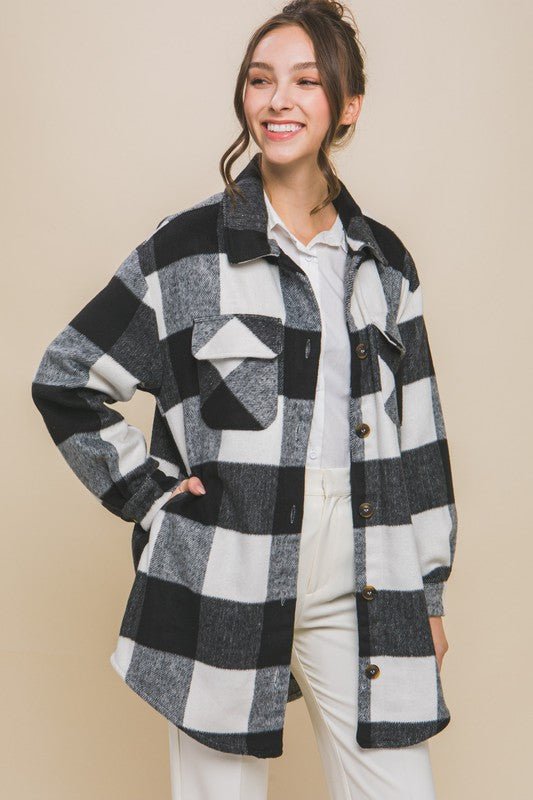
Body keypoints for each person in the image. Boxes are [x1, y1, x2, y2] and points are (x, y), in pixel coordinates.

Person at [31, 1, 458, 798]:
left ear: (347, 107)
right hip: (225, 566)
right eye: (260, 80)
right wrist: (154, 498)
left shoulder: (383, 262)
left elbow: (418, 437)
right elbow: (67, 376)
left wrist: (426, 594)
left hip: (364, 567)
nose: (277, 100)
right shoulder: (184, 250)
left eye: (304, 81)